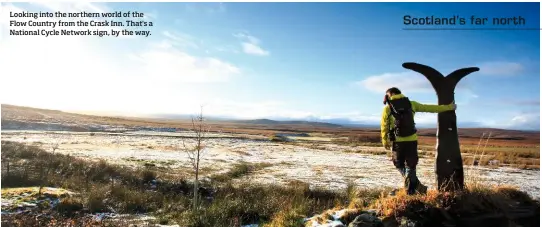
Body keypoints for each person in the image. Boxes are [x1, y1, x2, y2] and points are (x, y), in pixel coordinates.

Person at [381, 87, 456, 195]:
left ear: (389, 95)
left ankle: (412, 191)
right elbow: (429, 108)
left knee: (398, 165)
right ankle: (416, 187)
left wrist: (385, 141)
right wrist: (449, 107)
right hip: (412, 140)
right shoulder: (412, 104)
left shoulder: (387, 108)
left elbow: (384, 126)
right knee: (411, 166)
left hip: (397, 142)